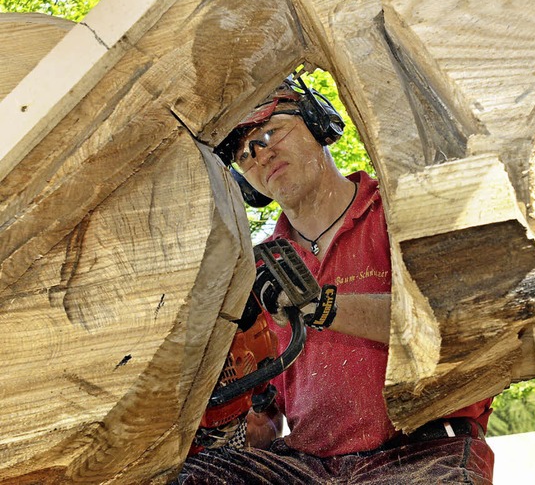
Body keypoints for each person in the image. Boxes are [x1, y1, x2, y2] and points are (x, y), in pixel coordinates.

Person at [176, 76, 494, 484]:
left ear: (316, 122)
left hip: (424, 451)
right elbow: (271, 415)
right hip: (312, 465)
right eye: (244, 154)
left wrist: (323, 305)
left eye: (270, 131)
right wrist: (244, 423)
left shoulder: (397, 213)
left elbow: (454, 321)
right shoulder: (257, 269)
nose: (261, 154)